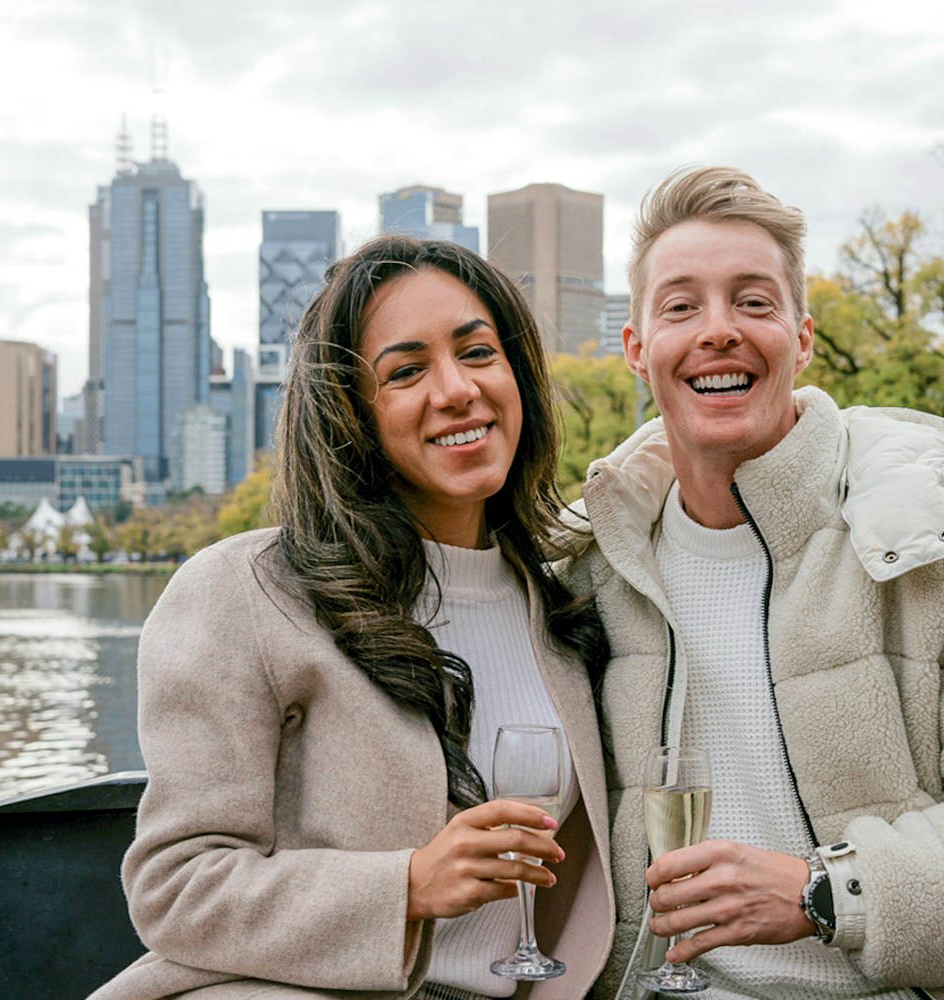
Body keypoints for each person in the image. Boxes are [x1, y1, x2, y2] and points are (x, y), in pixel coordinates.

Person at [572, 167, 944, 1000]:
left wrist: (828, 894)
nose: (718, 331)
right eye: (680, 306)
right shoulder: (590, 571)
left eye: (753, 301)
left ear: (802, 340)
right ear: (636, 350)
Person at [90, 236, 613, 1000]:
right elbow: (175, 888)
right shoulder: (245, 591)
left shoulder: (564, 600)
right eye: (406, 371)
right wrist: (405, 886)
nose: (457, 389)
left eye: (477, 352)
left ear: (519, 377)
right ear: (351, 416)